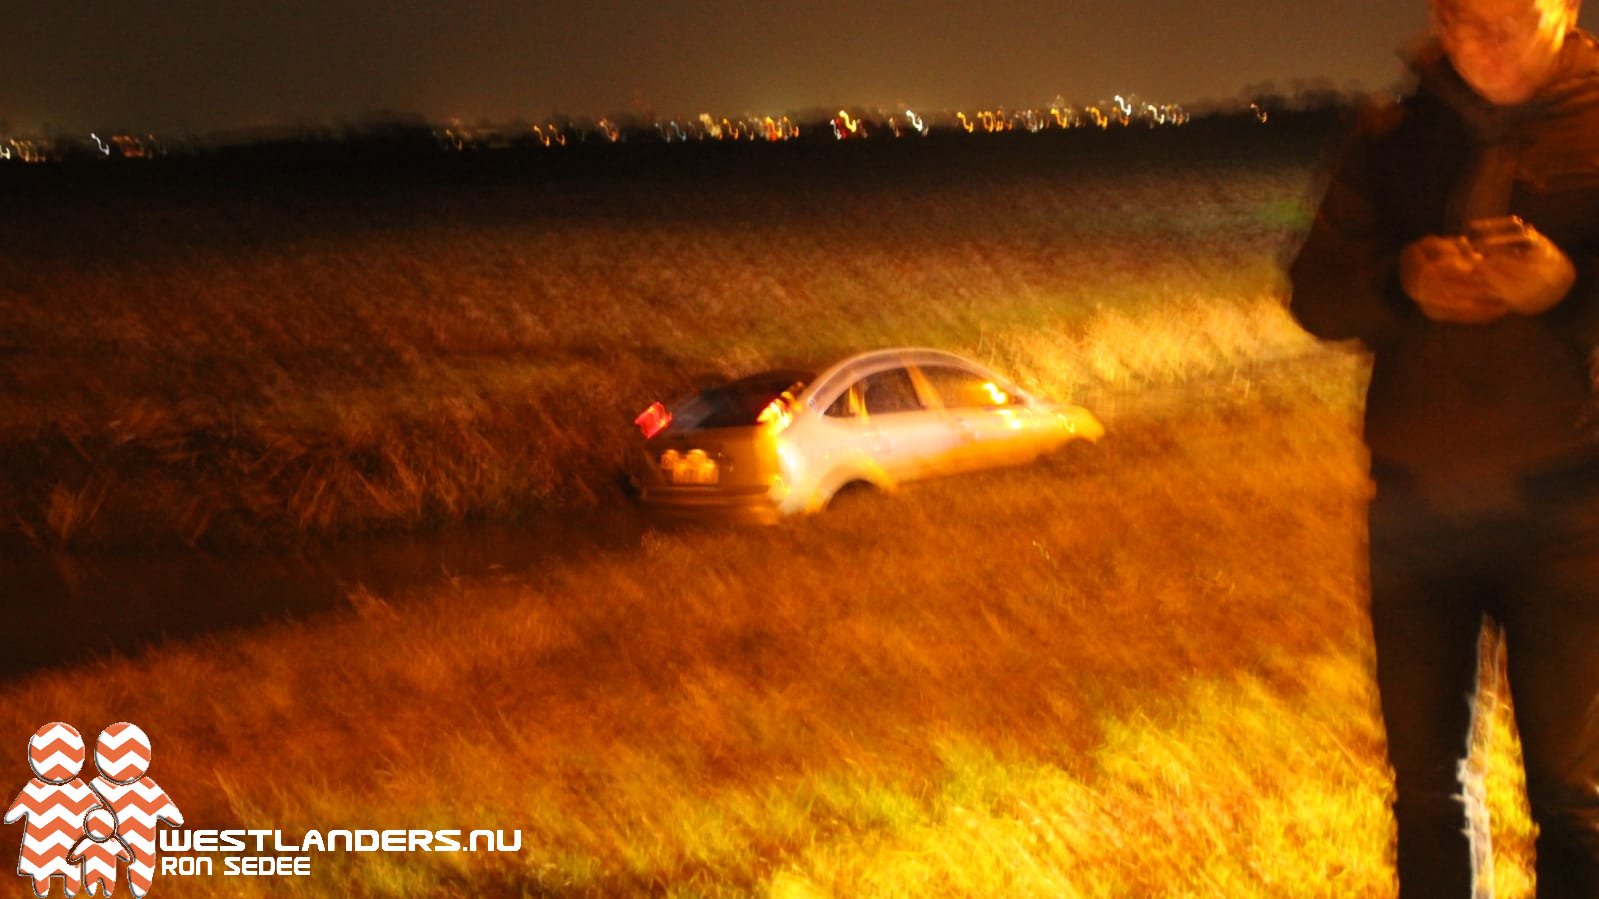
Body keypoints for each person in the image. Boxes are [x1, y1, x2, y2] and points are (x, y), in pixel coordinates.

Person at [1288, 0, 1599, 894]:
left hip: (1571, 509)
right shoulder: (1390, 136)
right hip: (1418, 510)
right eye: (1467, 21)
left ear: (1565, 8)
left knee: (1575, 798)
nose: (1488, 43)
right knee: (1426, 790)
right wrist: (1401, 282)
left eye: (1513, 19)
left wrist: (1566, 292)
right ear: (1436, 17)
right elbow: (1315, 295)